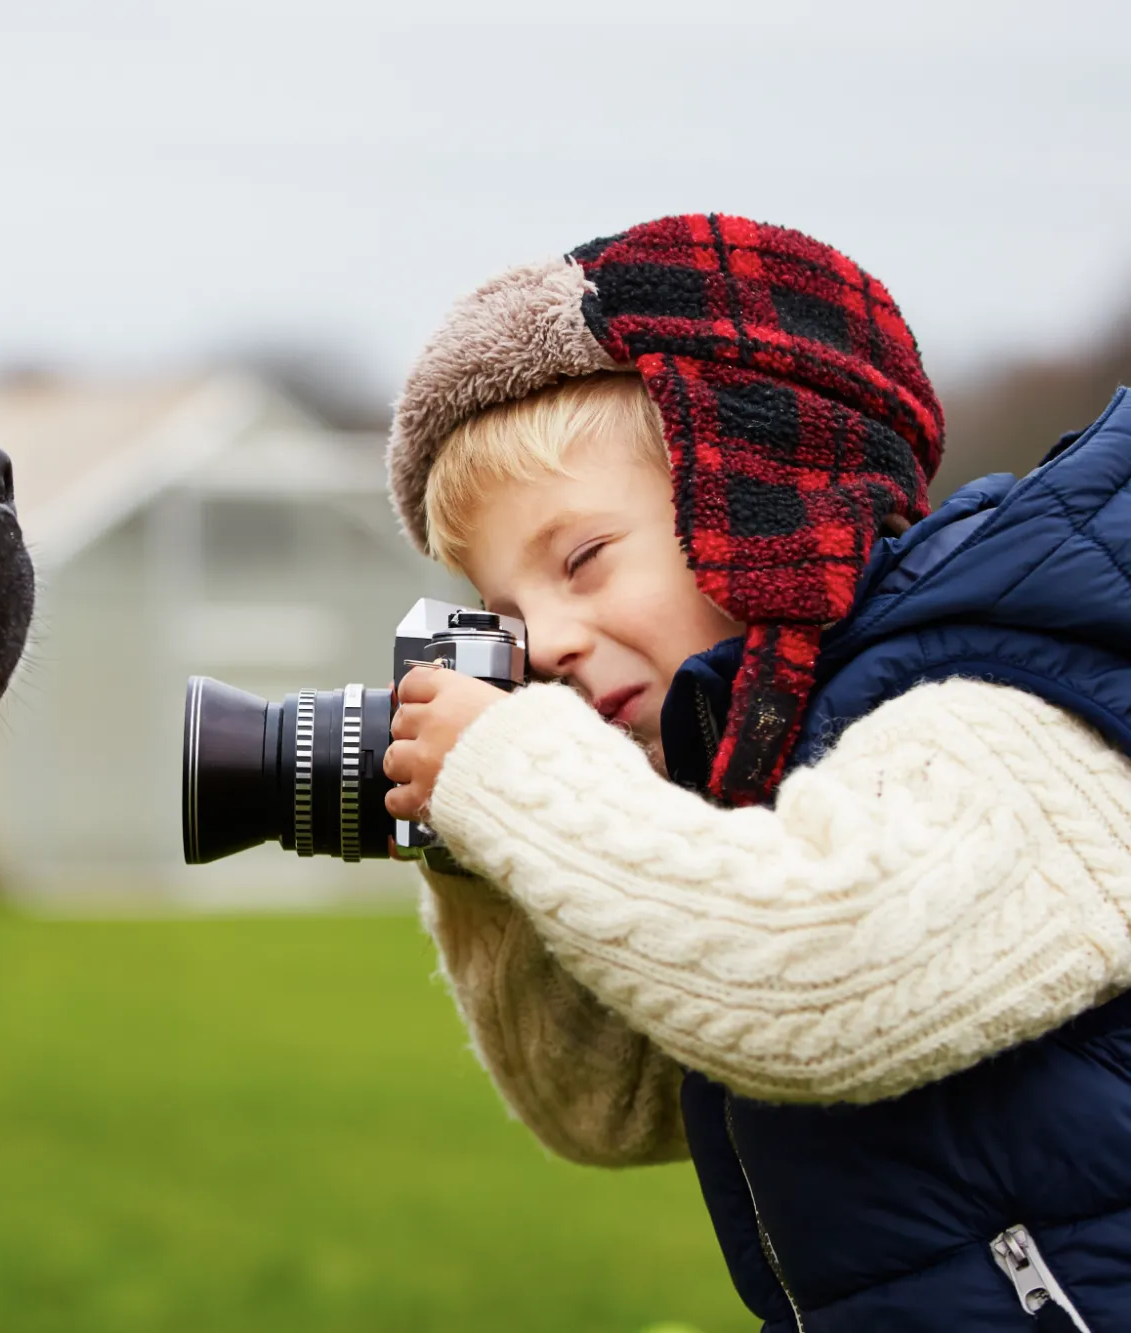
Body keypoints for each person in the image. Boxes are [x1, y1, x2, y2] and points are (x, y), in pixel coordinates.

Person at [380, 213, 1131, 1332]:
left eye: (581, 558)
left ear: (759, 486)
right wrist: (485, 856)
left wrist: (516, 774)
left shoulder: (1005, 704)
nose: (548, 643)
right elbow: (609, 1108)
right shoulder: (771, 761)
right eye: (507, 615)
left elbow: (820, 971)